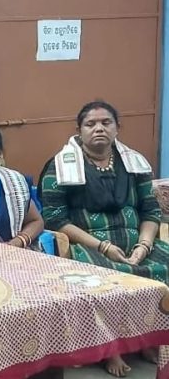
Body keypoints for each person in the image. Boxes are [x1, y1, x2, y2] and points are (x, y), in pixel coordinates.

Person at [39, 101, 168, 377]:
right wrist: (103, 246)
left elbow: (150, 210)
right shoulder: (60, 165)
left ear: (117, 128)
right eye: (90, 124)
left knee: (163, 267)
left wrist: (144, 245)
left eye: (106, 122)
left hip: (136, 243)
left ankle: (149, 338)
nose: (99, 128)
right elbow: (55, 219)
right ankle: (111, 348)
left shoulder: (135, 163)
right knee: (104, 277)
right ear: (79, 130)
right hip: (88, 244)